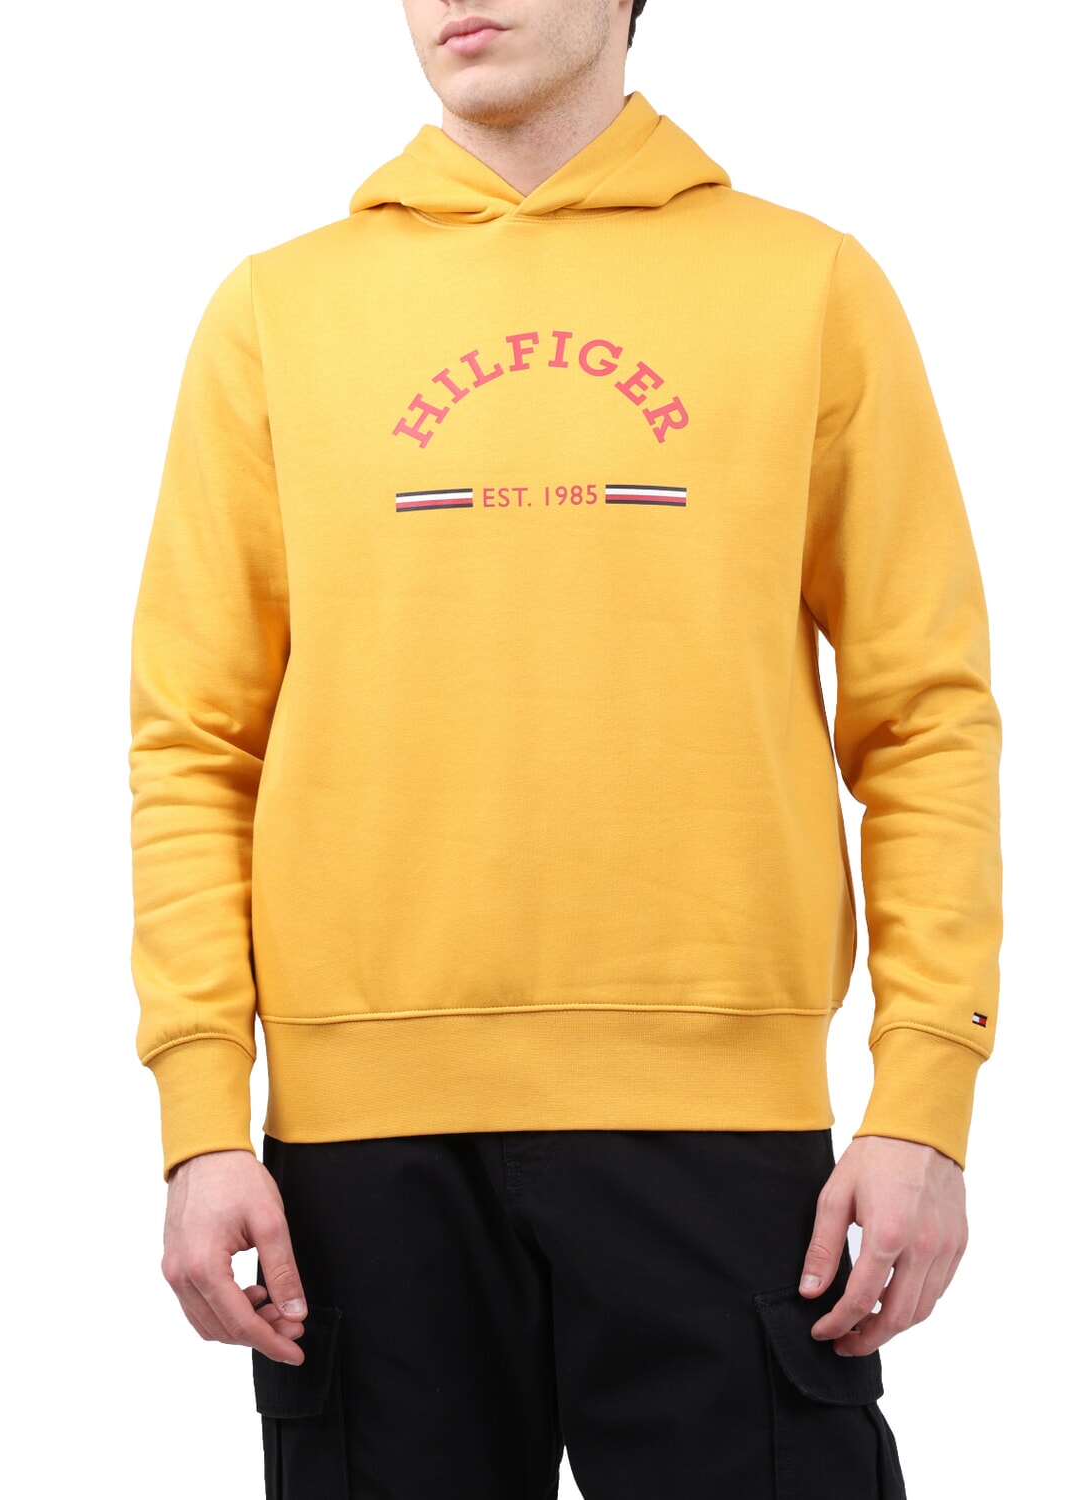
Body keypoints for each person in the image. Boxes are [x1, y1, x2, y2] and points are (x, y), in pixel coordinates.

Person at [129, 2, 1002, 1495]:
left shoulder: (808, 287)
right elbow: (195, 742)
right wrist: (200, 1116)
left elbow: (923, 715)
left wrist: (927, 1097)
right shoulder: (276, 311)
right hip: (358, 1155)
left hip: (722, 1134)